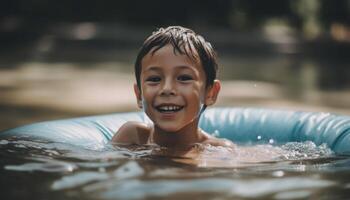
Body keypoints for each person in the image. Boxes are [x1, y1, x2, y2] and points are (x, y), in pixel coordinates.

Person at [112, 26, 235, 158]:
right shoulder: (132, 137)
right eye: (154, 79)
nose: (167, 89)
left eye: (184, 78)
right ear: (139, 95)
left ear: (210, 93)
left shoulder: (219, 151)